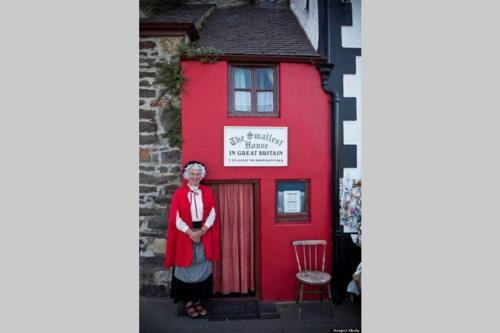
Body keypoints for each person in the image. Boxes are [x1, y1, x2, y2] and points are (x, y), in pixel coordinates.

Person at [164, 161, 219, 319]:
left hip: (203, 233)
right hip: (185, 234)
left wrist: (202, 230)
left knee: (201, 265)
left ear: (201, 176)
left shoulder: (207, 192)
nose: (195, 177)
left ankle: (197, 300)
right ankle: (188, 302)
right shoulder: (179, 193)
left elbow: (212, 213)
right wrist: (190, 233)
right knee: (186, 266)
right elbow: (175, 217)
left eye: (198, 174)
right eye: (192, 174)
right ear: (187, 175)